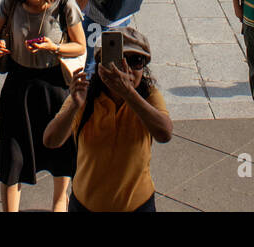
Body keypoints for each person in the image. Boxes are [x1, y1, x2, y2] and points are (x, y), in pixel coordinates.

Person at [0, 0, 85, 212]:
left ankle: (59, 207)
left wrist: (54, 48)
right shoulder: (11, 2)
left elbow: (80, 47)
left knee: (61, 157)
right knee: (12, 160)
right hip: (18, 87)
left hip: (54, 88)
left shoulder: (65, 5)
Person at [41, 27, 171, 212]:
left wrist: (129, 93)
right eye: (119, 61)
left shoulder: (148, 96)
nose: (127, 69)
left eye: (137, 61)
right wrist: (74, 107)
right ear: (102, 64)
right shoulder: (85, 96)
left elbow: (165, 133)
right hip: (86, 206)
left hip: (137, 206)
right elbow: (50, 140)